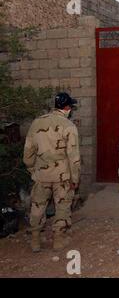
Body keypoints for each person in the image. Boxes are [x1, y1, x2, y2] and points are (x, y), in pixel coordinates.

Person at [24, 92, 80, 252]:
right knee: (62, 206)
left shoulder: (37, 123)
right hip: (63, 176)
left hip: (41, 174)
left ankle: (35, 240)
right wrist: (74, 179)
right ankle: (58, 240)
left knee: (37, 206)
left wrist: (32, 170)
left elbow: (28, 152)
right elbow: (73, 157)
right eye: (71, 107)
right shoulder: (69, 126)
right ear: (67, 108)